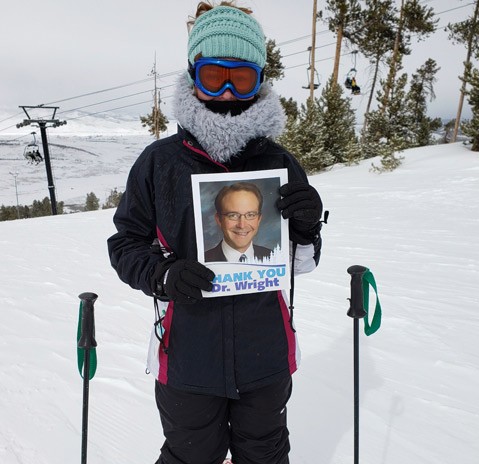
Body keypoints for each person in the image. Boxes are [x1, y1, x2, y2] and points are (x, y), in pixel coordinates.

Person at [107, 2, 324, 463]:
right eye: (213, 76)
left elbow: (301, 261)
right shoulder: (160, 163)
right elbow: (126, 243)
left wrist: (307, 227)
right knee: (189, 456)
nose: (226, 92)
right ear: (193, 74)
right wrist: (163, 276)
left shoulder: (280, 163)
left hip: (265, 354)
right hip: (187, 354)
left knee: (264, 455)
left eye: (240, 78)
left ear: (259, 79)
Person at [205, 182, 272, 263]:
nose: (242, 225)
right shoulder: (203, 261)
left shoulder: (273, 257)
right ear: (219, 219)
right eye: (233, 215)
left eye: (250, 215)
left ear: (259, 219)